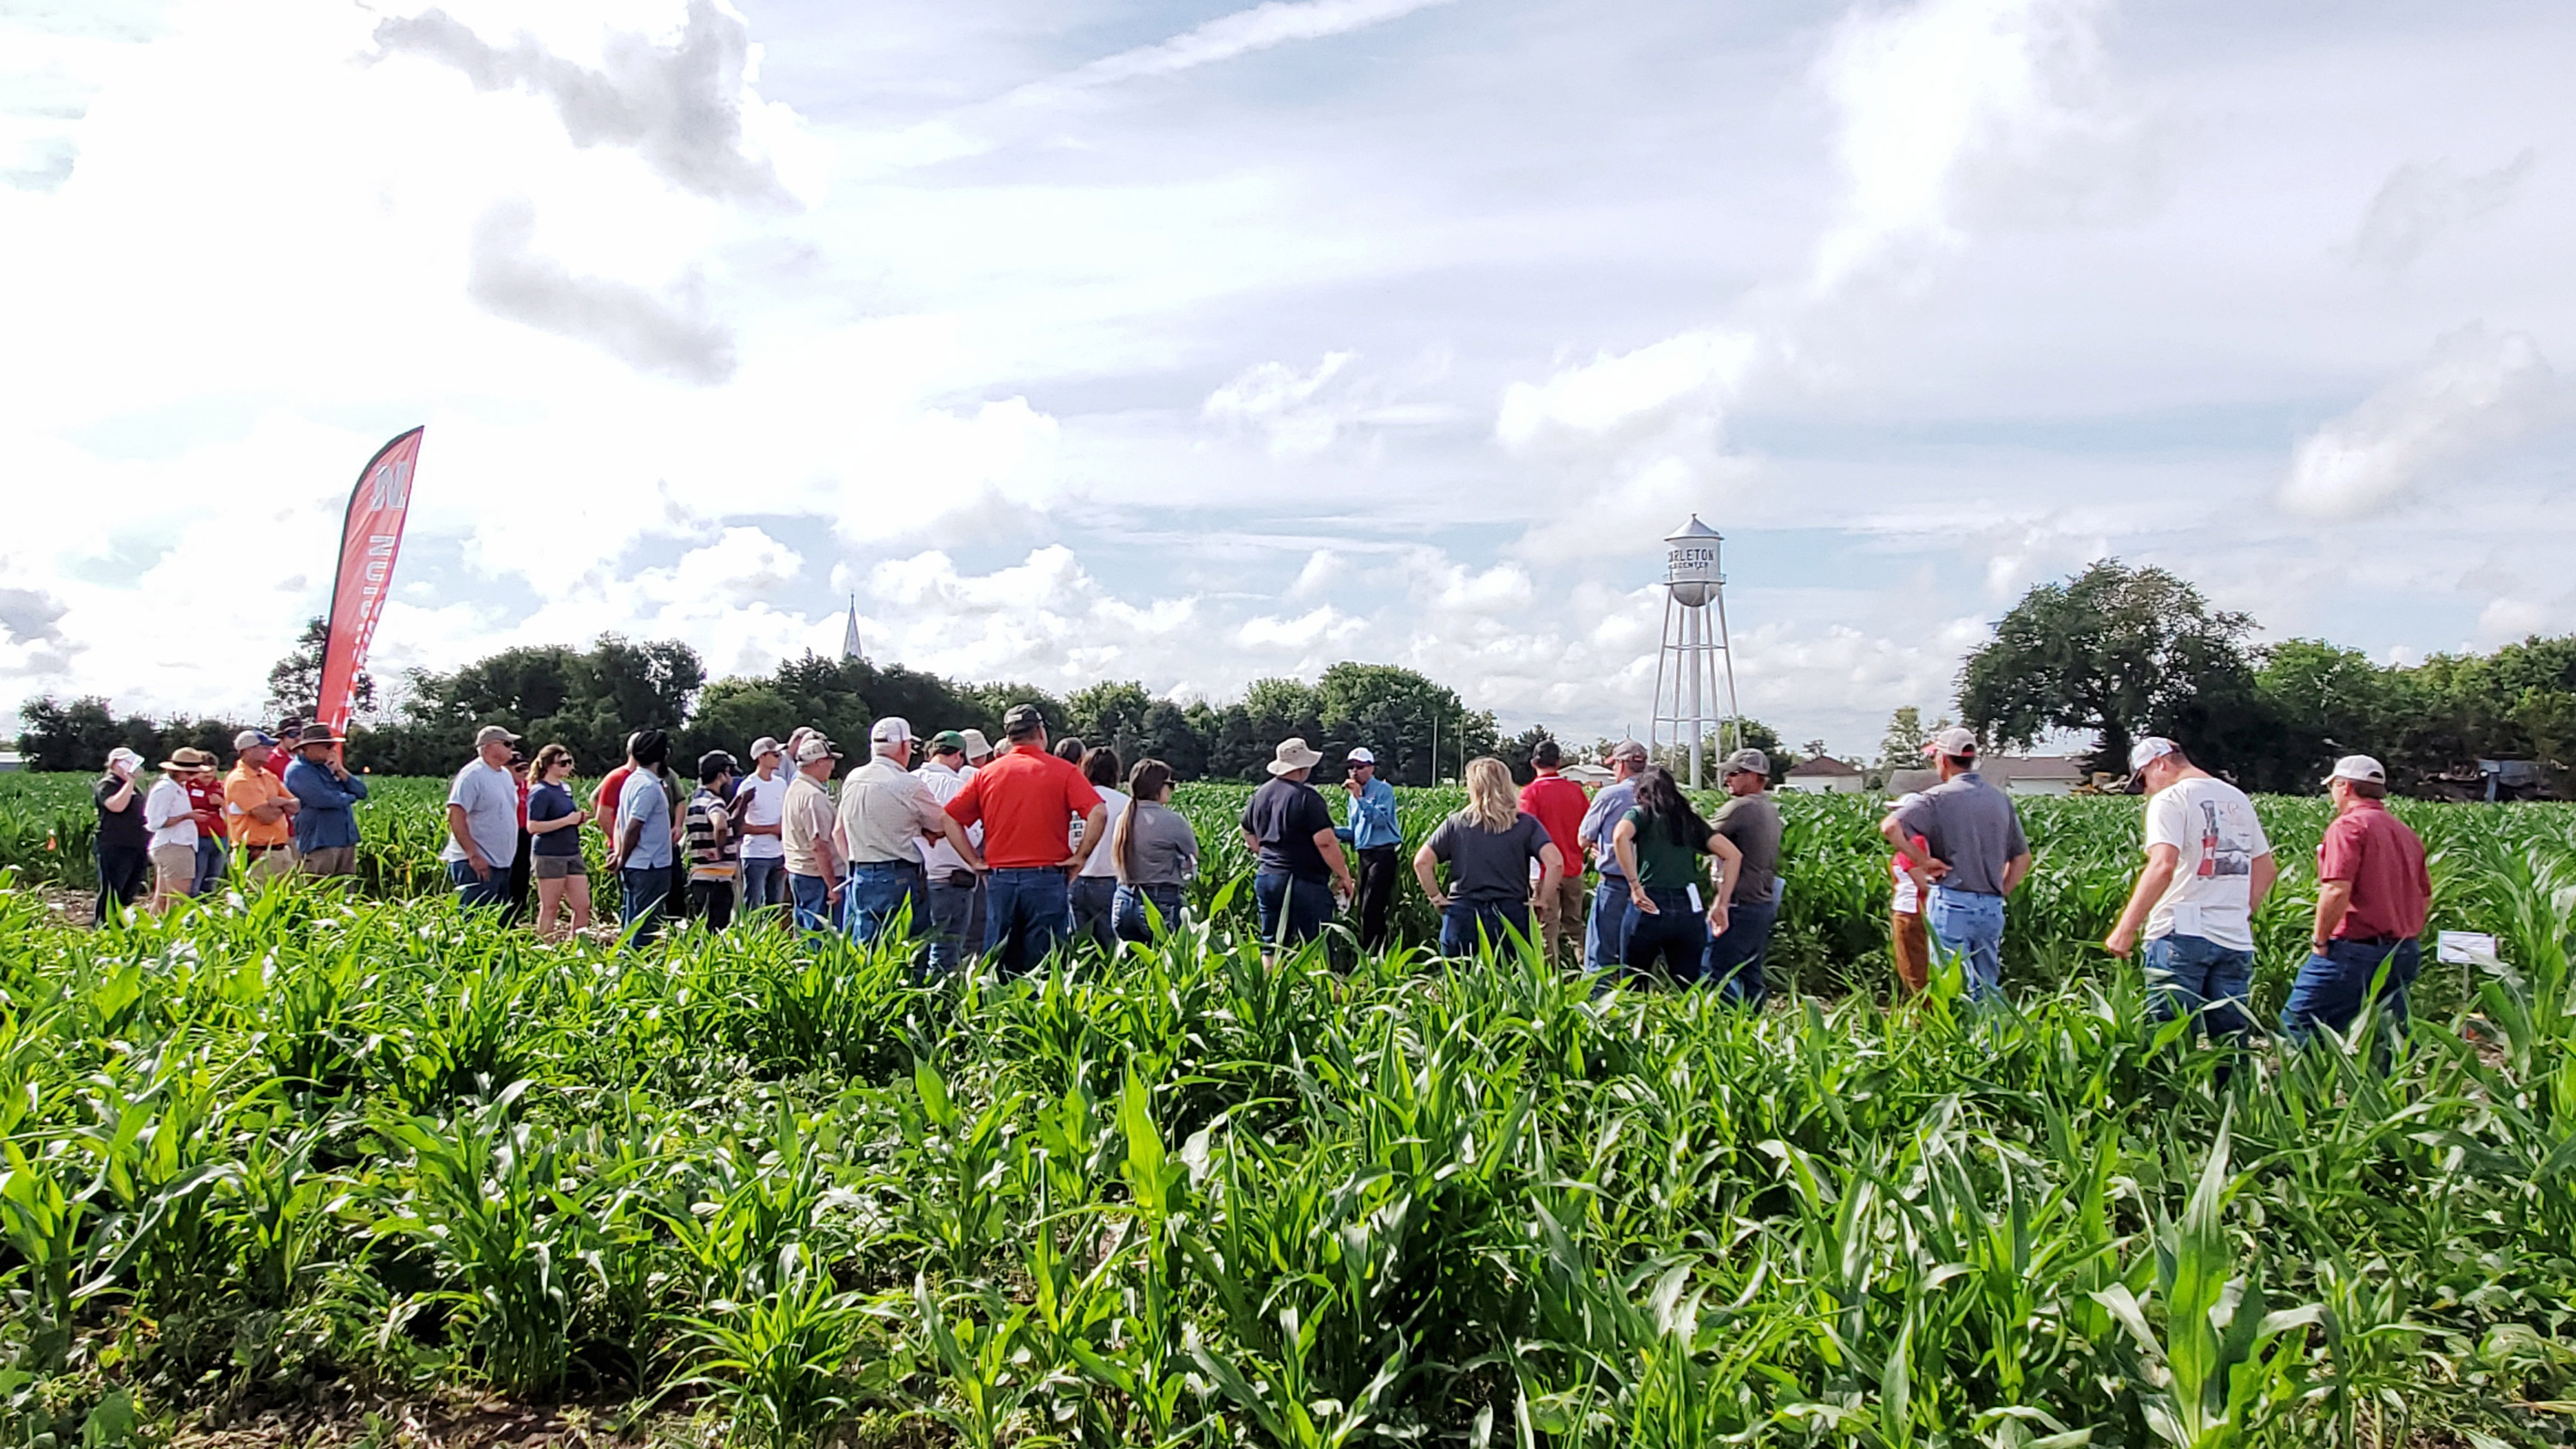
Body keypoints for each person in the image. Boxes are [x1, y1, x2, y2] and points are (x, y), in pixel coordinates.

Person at [2103, 738, 2278, 1056]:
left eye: (2143, 779)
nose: (2146, 790)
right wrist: (2239, 911)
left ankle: (2175, 1105)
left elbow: (2162, 866)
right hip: (2235, 938)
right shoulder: (2236, 797)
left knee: (2170, 1041)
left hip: (2179, 934)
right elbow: (2266, 869)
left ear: (2160, 763)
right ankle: (2232, 1102)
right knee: (2231, 1044)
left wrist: (2125, 929)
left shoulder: (2171, 799)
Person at [2279, 754, 2431, 1050]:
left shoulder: (2348, 826)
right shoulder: (2404, 832)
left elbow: (2336, 890)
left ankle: (2302, 1094)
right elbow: (2425, 897)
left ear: (2344, 786)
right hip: (2403, 948)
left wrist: (2320, 940)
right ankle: (2394, 1093)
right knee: (2391, 1035)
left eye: (2332, 786)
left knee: (2300, 1024)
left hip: (2353, 949)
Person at [944, 703, 1106, 976]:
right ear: (1041, 732)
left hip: (1000, 877)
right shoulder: (1063, 771)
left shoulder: (987, 774)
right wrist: (1080, 856)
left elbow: (949, 818)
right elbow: (1098, 812)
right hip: (1047, 877)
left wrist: (973, 860)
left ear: (1009, 737)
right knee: (1043, 965)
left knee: (999, 961)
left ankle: (998, 1014)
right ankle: (1036, 1015)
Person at [1881, 728, 2031, 1002]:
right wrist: (2001, 891)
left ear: (1944, 760)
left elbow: (1890, 827)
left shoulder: (1938, 798)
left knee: (1950, 986)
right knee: (1987, 985)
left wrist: (1923, 861)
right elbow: (2022, 858)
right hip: (1991, 905)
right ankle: (1989, 1041)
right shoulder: (1999, 799)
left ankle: (1954, 1042)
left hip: (1952, 901)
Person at [840, 718, 984, 953]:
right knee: (908, 950)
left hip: (861, 873)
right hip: (898, 874)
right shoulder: (907, 784)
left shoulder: (853, 779)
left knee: (867, 948)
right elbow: (942, 824)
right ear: (904, 747)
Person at [1416, 756, 1562, 959]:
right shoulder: (1525, 824)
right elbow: (1555, 862)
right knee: (1513, 982)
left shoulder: (1456, 823)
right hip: (1512, 913)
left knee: (1461, 983)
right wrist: (1542, 900)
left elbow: (1422, 862)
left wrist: (1436, 897)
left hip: (1464, 911)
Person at [1611, 766, 1742, 983]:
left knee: (1634, 981)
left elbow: (1619, 837)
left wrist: (1634, 885)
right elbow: (1733, 855)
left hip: (1650, 901)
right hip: (1689, 907)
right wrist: (1722, 903)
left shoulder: (1641, 814)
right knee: (1688, 985)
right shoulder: (1690, 821)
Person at [1239, 738, 1354, 957]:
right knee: (1317, 944)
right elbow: (1326, 841)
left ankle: (1268, 988)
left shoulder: (1261, 793)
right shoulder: (1307, 797)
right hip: (1304, 881)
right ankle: (1324, 989)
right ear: (1303, 767)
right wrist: (1344, 875)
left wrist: (1262, 853)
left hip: (1268, 876)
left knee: (1271, 943)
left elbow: (1246, 830)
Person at [1701, 748, 1784, 1006]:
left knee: (1714, 968)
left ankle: (1728, 1026)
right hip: (1761, 901)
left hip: (1738, 902)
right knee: (1750, 970)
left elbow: (1700, 836)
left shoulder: (1741, 806)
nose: (1727, 779)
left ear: (1754, 776)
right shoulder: (1769, 809)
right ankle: (1756, 1025)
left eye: (1734, 773)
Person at [915, 730, 987, 972]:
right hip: (951, 879)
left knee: (915, 948)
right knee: (947, 948)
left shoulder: (910, 779)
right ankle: (940, 1005)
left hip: (913, 876)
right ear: (958, 756)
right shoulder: (958, 786)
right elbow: (974, 833)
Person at [1516, 740, 1591, 970]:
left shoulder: (1530, 793)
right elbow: (1587, 828)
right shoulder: (1576, 791)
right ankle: (1589, 971)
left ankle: (1551, 979)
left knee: (1547, 927)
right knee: (1576, 925)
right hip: (1573, 867)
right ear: (1558, 763)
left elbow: (1524, 833)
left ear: (1533, 763)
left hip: (1543, 871)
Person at [1576, 740, 1649, 973]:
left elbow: (1583, 839)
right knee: (1639, 955)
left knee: (1601, 954)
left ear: (1621, 764)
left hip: (1615, 881)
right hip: (1653, 884)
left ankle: (1599, 1005)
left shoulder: (1610, 795)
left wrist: (1601, 845)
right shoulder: (1661, 794)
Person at [1111, 758, 1198, 941]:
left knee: (1132, 965)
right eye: (1170, 784)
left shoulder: (1124, 819)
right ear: (1157, 786)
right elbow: (1193, 856)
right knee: (1169, 962)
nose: (1171, 789)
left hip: (1124, 899)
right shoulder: (1172, 820)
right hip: (1160, 901)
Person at [440, 724, 523, 910]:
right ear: (489, 747)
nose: (512, 749)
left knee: (495, 922)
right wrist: (473, 855)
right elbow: (456, 815)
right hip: (477, 864)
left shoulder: (505, 776)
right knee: (474, 920)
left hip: (501, 863)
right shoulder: (472, 775)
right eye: (507, 744)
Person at [609, 728, 678, 946]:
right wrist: (622, 858)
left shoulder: (632, 781)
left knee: (631, 922)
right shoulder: (649, 786)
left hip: (637, 864)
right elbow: (633, 826)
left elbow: (621, 823)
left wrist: (621, 855)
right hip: (649, 865)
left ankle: (624, 966)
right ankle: (636, 970)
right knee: (645, 927)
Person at [1335, 746, 1403, 951]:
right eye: (1351, 767)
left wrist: (1360, 799)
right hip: (1364, 856)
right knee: (1364, 909)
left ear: (1371, 768)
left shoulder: (1383, 791)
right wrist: (1330, 830)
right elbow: (1355, 833)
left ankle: (1374, 956)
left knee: (1372, 908)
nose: (1355, 771)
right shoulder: (1353, 798)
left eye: (1360, 767)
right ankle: (1371, 955)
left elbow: (1380, 820)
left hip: (1382, 855)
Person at [282, 724, 368, 880]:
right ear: (308, 747)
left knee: (346, 891)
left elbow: (361, 791)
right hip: (320, 842)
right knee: (320, 891)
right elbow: (323, 799)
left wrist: (341, 770)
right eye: (327, 746)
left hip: (344, 840)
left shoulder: (328, 767)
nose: (331, 750)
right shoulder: (298, 771)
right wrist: (349, 797)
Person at [525, 743, 592, 939]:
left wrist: (577, 820)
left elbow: (562, 820)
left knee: (583, 905)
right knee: (550, 906)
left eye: (569, 762)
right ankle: (545, 948)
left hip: (571, 851)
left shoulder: (564, 789)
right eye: (562, 763)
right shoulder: (540, 791)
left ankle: (578, 947)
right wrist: (567, 821)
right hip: (549, 854)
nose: (568, 767)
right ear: (548, 765)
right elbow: (533, 826)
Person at [781, 734, 846, 931]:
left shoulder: (795, 789)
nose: (832, 767)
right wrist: (832, 886)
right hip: (816, 877)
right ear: (819, 762)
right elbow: (819, 846)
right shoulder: (813, 797)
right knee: (821, 934)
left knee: (804, 929)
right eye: (830, 761)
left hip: (799, 871)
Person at [1070, 747, 1127, 950]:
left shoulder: (1073, 799)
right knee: (1110, 947)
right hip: (1109, 880)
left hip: (1073, 879)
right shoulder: (1125, 804)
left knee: (1079, 947)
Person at [225, 729, 301, 882]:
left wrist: (279, 803)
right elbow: (266, 816)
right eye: (264, 747)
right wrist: (283, 805)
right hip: (256, 854)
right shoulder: (240, 780)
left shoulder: (267, 775)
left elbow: (296, 806)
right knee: (258, 901)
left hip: (279, 850)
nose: (270, 751)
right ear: (248, 750)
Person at [683, 751, 742, 932]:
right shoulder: (714, 802)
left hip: (700, 875)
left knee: (702, 930)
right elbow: (720, 825)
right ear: (720, 775)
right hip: (716, 879)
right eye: (728, 773)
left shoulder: (696, 799)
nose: (731, 779)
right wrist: (720, 851)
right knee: (717, 930)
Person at [92, 747, 152, 924]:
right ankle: (104, 923)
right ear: (116, 764)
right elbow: (116, 806)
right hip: (115, 843)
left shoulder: (132, 787)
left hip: (136, 843)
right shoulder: (108, 784)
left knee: (129, 888)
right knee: (112, 888)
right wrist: (130, 782)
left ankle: (120, 921)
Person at [734, 736, 791, 914]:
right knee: (754, 907)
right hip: (755, 854)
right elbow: (739, 826)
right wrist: (772, 830)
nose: (779, 758)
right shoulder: (749, 786)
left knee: (776, 907)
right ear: (761, 757)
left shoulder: (781, 784)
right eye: (775, 754)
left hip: (779, 854)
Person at [1884, 794, 1932, 996]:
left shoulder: (1912, 844)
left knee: (1913, 971)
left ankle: (1922, 1019)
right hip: (1922, 911)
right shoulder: (1927, 840)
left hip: (1910, 912)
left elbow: (1922, 882)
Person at [143, 750, 203, 915]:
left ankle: (153, 932)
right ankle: (173, 933)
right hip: (174, 845)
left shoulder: (177, 787)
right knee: (179, 898)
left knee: (162, 897)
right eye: (190, 772)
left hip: (176, 844)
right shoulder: (165, 789)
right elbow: (155, 822)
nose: (194, 775)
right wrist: (187, 816)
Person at [181, 748, 229, 895]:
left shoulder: (221, 787)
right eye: (205, 771)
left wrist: (221, 802)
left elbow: (233, 812)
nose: (209, 775)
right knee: (196, 880)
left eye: (212, 771)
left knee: (212, 880)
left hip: (220, 837)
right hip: (198, 838)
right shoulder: (187, 787)